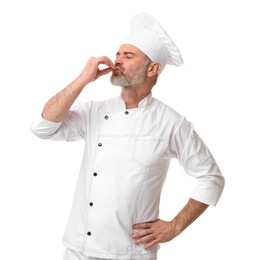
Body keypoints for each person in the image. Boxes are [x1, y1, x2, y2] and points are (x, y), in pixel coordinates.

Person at [31, 13, 225, 260]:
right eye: (118, 54)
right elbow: (43, 127)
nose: (117, 60)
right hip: (78, 249)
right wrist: (82, 80)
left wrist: (175, 226)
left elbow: (211, 178)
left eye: (128, 55)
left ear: (152, 68)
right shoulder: (94, 111)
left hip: (131, 253)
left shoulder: (171, 123)